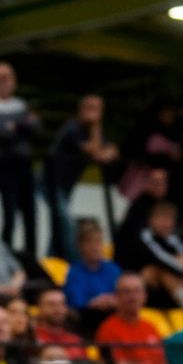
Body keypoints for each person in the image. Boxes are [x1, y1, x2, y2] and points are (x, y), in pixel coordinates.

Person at [0, 62, 42, 258]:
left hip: (24, 163)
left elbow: (35, 127)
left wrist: (13, 127)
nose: (4, 82)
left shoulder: (21, 104)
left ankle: (31, 257)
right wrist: (19, 127)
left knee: (31, 215)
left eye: (7, 77)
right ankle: (5, 257)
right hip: (4, 164)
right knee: (10, 213)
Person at [46, 95, 118, 262]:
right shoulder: (72, 129)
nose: (93, 113)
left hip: (66, 185)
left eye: (97, 109)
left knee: (59, 225)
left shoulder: (89, 132)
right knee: (67, 224)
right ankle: (77, 263)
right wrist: (96, 126)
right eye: (90, 108)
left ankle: (51, 258)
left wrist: (105, 150)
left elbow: (111, 151)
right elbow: (95, 151)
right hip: (51, 182)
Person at [95, 274, 175, 364]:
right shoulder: (108, 329)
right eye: (127, 292)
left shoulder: (150, 327)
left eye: (137, 291)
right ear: (117, 296)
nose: (133, 297)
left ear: (145, 296)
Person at [65, 220, 121, 330]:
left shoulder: (113, 269)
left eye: (98, 242)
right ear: (79, 246)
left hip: (114, 317)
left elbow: (124, 295)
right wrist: (95, 302)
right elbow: (77, 303)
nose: (94, 247)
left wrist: (114, 300)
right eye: (89, 242)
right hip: (87, 321)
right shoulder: (74, 272)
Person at [33, 286, 90, 359]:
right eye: (51, 304)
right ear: (39, 308)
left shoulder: (75, 340)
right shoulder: (31, 338)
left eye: (62, 304)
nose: (58, 309)